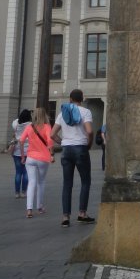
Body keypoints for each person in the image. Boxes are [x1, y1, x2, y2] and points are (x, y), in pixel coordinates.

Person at [50, 89, 95, 228]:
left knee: (67, 183)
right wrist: (89, 143)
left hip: (66, 149)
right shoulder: (85, 112)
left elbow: (52, 134)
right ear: (82, 99)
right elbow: (89, 131)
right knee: (85, 181)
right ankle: (82, 214)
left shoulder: (62, 113)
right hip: (80, 148)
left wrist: (62, 141)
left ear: (70, 98)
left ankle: (65, 217)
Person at [20, 107, 54, 218]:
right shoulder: (47, 126)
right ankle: (39, 206)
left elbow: (21, 140)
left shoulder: (29, 127)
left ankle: (29, 209)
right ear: (45, 115)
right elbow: (49, 140)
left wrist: (22, 156)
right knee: (41, 182)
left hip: (30, 158)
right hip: (43, 158)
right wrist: (52, 154)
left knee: (31, 182)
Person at [10, 109, 32, 198]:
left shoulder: (15, 123)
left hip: (17, 150)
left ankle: (16, 193)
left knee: (18, 172)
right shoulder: (30, 125)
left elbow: (15, 124)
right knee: (26, 172)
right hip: (28, 150)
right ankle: (23, 192)